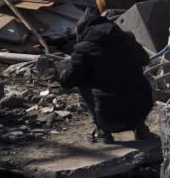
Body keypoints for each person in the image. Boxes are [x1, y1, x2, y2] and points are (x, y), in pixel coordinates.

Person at [58, 8, 154, 143]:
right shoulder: (127, 37)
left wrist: (63, 74)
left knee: (81, 78)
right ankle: (141, 128)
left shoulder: (83, 48)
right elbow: (145, 60)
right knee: (132, 75)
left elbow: (67, 82)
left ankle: (103, 131)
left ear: (83, 31)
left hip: (109, 116)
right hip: (141, 110)